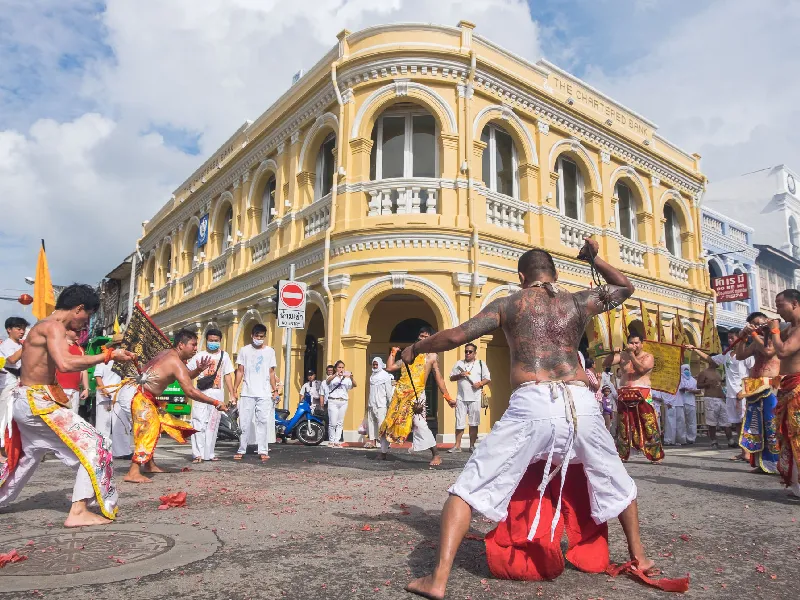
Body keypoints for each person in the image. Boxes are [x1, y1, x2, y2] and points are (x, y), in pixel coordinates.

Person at [403, 239, 657, 600]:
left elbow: (457, 336)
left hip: (533, 403)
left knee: (469, 488)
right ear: (553, 274)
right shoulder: (577, 300)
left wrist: (417, 348)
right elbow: (624, 289)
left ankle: (438, 580)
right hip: (581, 403)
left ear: (522, 276)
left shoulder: (509, 304)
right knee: (616, 480)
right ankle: (640, 558)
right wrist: (594, 258)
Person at [0, 284, 136, 526]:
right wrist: (107, 356)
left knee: (27, 457)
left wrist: (107, 354)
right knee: (97, 443)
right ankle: (78, 511)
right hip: (37, 403)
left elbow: (65, 360)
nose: (87, 322)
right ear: (79, 308)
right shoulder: (52, 326)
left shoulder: (46, 325)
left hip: (31, 401)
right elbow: (65, 363)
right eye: (89, 315)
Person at [121, 329, 224, 483]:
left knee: (156, 426)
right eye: (193, 345)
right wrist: (215, 402)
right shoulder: (175, 361)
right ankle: (133, 471)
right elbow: (190, 391)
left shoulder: (170, 354)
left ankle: (149, 464)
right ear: (181, 345)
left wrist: (198, 370)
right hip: (137, 394)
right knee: (148, 429)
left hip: (140, 393)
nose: (196, 348)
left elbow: (185, 375)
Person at [380, 328, 453, 467]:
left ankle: (436, 455)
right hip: (400, 394)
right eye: (421, 336)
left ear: (431, 339)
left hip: (417, 395)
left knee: (420, 424)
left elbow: (438, 377)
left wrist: (447, 396)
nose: (423, 338)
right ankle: (383, 452)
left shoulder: (431, 356)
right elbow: (390, 368)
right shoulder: (409, 354)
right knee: (389, 421)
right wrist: (393, 352)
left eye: (426, 336)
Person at [730, 312, 782, 473]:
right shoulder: (756, 341)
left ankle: (776, 463)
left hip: (770, 386)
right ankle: (762, 463)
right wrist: (743, 339)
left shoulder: (776, 336)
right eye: (752, 323)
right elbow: (740, 356)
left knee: (771, 425)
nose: (755, 326)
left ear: (765, 320)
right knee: (756, 427)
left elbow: (768, 352)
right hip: (755, 386)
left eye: (756, 322)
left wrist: (752, 333)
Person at [603, 333, 663, 462]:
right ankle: (623, 454)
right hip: (624, 392)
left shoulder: (648, 356)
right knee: (624, 425)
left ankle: (654, 454)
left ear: (642, 343)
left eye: (636, 343)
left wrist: (631, 355)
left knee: (648, 423)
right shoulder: (622, 356)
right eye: (631, 343)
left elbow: (641, 370)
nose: (634, 345)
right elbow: (605, 363)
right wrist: (612, 353)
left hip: (642, 392)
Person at [764, 290, 800, 496]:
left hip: (798, 386)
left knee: (797, 434)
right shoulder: (790, 328)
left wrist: (775, 330)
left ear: (794, 303)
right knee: (788, 435)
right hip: (787, 384)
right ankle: (796, 486)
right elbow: (770, 349)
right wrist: (754, 333)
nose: (777, 310)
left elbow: (784, 351)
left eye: (780, 305)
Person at [692, 335, 753, 453]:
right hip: (730, 395)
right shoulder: (726, 355)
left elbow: (753, 372)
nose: (729, 340)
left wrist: (745, 390)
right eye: (728, 338)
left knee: (745, 422)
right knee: (736, 424)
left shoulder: (747, 354)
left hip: (742, 394)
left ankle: (749, 451)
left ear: (741, 338)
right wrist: (694, 349)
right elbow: (709, 358)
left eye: (732, 338)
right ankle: (743, 452)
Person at [233, 324, 278, 462]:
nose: (259, 338)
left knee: (263, 422)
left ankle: (263, 450)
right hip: (247, 392)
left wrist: (275, 390)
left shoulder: (270, 351)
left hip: (264, 393)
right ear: (252, 336)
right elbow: (240, 371)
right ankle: (241, 449)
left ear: (264, 337)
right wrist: (234, 389)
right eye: (257, 336)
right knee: (244, 422)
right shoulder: (244, 351)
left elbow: (271, 372)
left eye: (262, 336)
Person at [188, 329, 235, 463]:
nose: (213, 343)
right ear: (206, 340)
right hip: (200, 394)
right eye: (210, 340)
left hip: (217, 394)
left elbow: (227, 376)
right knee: (198, 422)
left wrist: (232, 394)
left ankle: (209, 453)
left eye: (216, 341)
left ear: (220, 341)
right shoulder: (198, 356)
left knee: (213, 425)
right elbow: (188, 373)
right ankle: (198, 454)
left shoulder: (224, 356)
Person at [448, 343, 491, 453]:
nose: (467, 353)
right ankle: (457, 446)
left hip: (475, 397)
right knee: (459, 422)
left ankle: (472, 446)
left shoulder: (481, 364)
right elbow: (451, 378)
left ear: (475, 353)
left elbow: (487, 378)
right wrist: (460, 375)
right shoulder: (459, 363)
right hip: (461, 397)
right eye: (466, 351)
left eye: (470, 351)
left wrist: (480, 383)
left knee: (474, 423)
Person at [92, 333, 124, 444]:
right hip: (104, 397)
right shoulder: (104, 358)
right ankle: (102, 448)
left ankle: (121, 451)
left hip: (119, 397)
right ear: (113, 346)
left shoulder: (125, 360)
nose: (120, 347)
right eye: (118, 345)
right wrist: (103, 389)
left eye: (122, 345)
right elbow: (98, 376)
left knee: (120, 425)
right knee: (103, 425)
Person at [693, 361, 729, 449]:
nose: (719, 362)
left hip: (720, 399)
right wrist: (707, 384)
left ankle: (730, 440)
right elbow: (698, 385)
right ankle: (714, 441)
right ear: (711, 361)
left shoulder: (718, 373)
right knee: (711, 422)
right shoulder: (704, 372)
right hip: (710, 398)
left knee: (726, 421)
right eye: (717, 361)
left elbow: (720, 385)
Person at [55, 329, 89, 415]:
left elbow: (83, 369)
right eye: (76, 331)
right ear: (66, 331)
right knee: (59, 417)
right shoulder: (57, 345)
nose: (79, 333)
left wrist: (86, 388)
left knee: (73, 417)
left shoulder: (80, 349)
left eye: (80, 331)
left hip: (75, 390)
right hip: (59, 388)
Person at [325, 360, 356, 447]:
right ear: (335, 368)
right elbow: (327, 382)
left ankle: (337, 440)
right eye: (339, 367)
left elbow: (354, 385)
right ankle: (331, 440)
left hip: (343, 401)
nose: (341, 369)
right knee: (333, 422)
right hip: (333, 401)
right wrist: (336, 374)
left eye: (342, 367)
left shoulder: (346, 378)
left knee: (340, 422)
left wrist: (351, 377)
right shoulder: (332, 377)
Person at [364, 358, 393, 449]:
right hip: (371, 404)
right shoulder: (372, 376)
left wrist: (390, 403)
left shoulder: (385, 376)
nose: (375, 366)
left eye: (376, 364)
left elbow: (388, 391)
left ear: (380, 364)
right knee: (372, 424)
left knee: (381, 424)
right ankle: (373, 442)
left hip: (381, 404)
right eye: (374, 364)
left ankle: (384, 443)